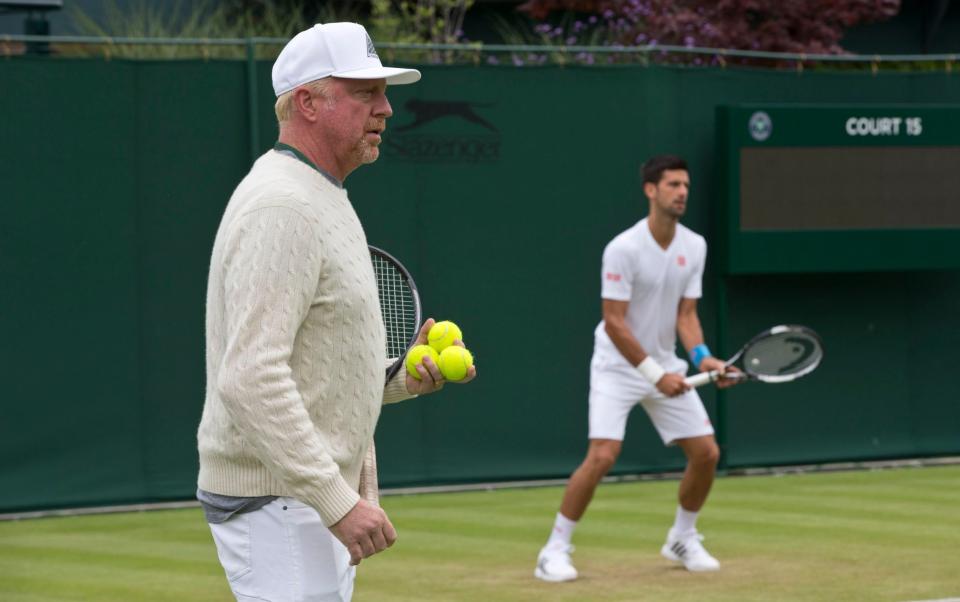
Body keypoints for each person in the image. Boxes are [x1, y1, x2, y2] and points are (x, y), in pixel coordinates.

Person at [195, 23, 476, 602]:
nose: (386, 108)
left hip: (295, 499)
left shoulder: (321, 193)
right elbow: (250, 376)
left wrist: (401, 379)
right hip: (279, 503)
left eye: (383, 92)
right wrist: (336, 501)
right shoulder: (283, 204)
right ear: (308, 103)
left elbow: (316, 372)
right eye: (365, 92)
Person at [534, 155, 738, 582]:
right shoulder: (623, 248)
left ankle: (682, 537)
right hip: (617, 365)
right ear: (651, 190)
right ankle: (553, 550)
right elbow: (614, 321)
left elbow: (687, 316)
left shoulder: (695, 246)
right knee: (603, 455)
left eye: (686, 185)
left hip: (665, 362)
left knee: (706, 453)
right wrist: (654, 375)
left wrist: (703, 359)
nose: (682, 192)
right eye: (673, 185)